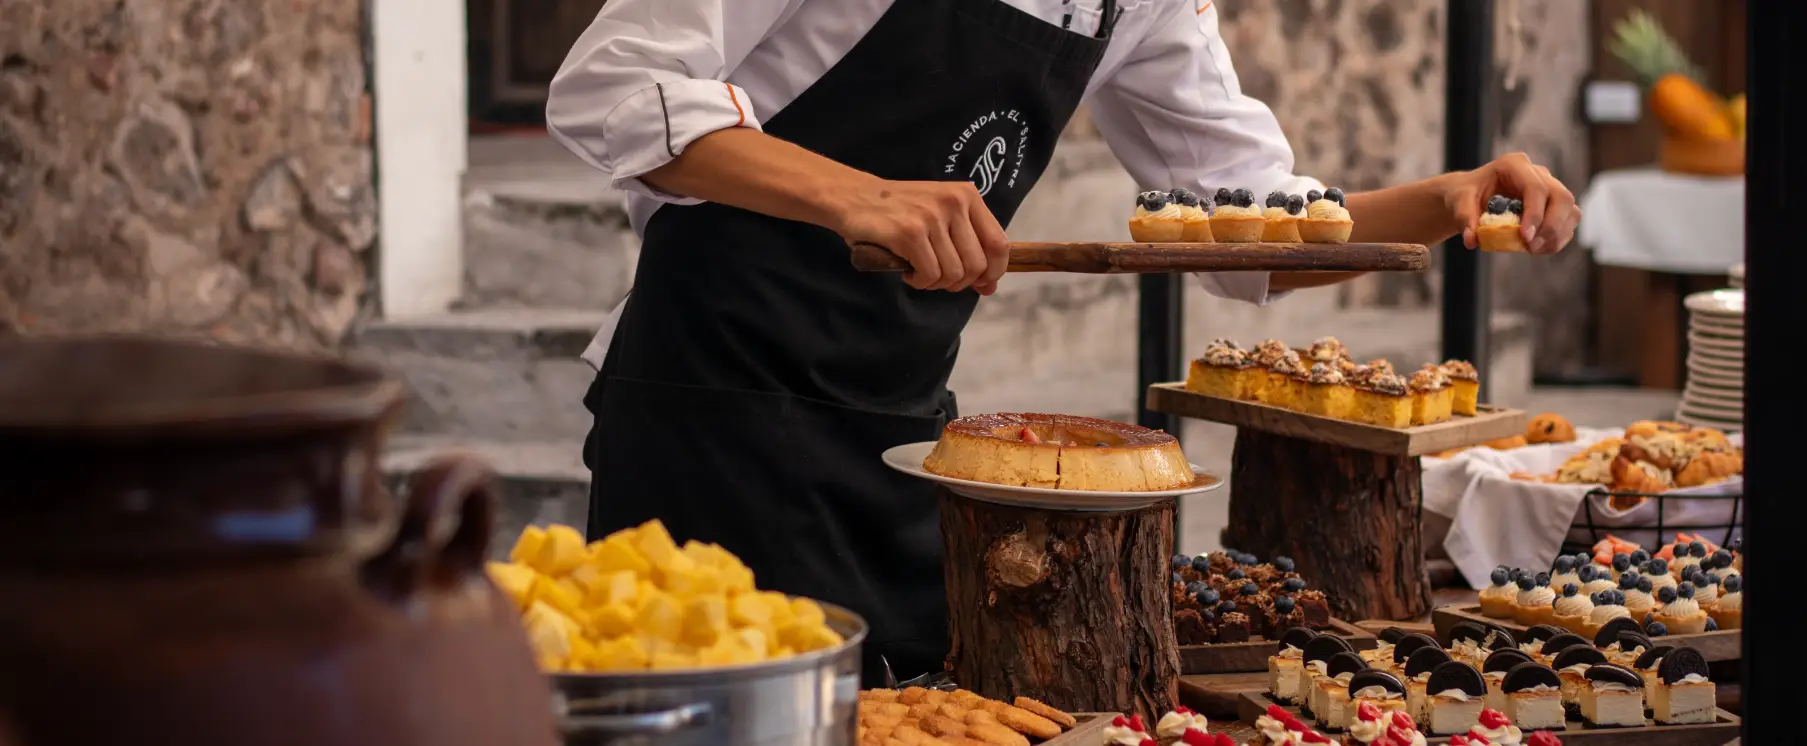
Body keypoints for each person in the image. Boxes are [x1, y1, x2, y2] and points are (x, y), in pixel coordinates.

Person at [546, 0, 1580, 683]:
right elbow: (611, 82)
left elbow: (1252, 229)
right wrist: (858, 198)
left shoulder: (1137, 1)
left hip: (898, 431)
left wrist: (1445, 202)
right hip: (707, 409)